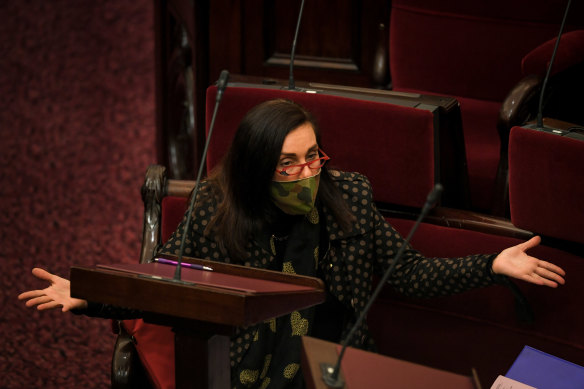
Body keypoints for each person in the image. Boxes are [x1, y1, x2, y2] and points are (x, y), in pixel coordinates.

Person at [20, 99, 566, 388]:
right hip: (251, 365)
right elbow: (167, 278)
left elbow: (407, 273)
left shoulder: (347, 193)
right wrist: (90, 296)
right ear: (258, 169)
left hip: (337, 364)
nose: (306, 172)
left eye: (313, 156)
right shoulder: (218, 205)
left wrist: (493, 262)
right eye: (287, 164)